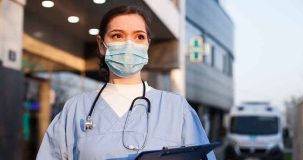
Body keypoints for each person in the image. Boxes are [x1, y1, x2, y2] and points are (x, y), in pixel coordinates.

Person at [36, 5, 216, 160]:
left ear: (147, 45)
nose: (129, 44)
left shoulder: (177, 109)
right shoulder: (75, 110)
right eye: (117, 36)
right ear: (101, 45)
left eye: (139, 37)